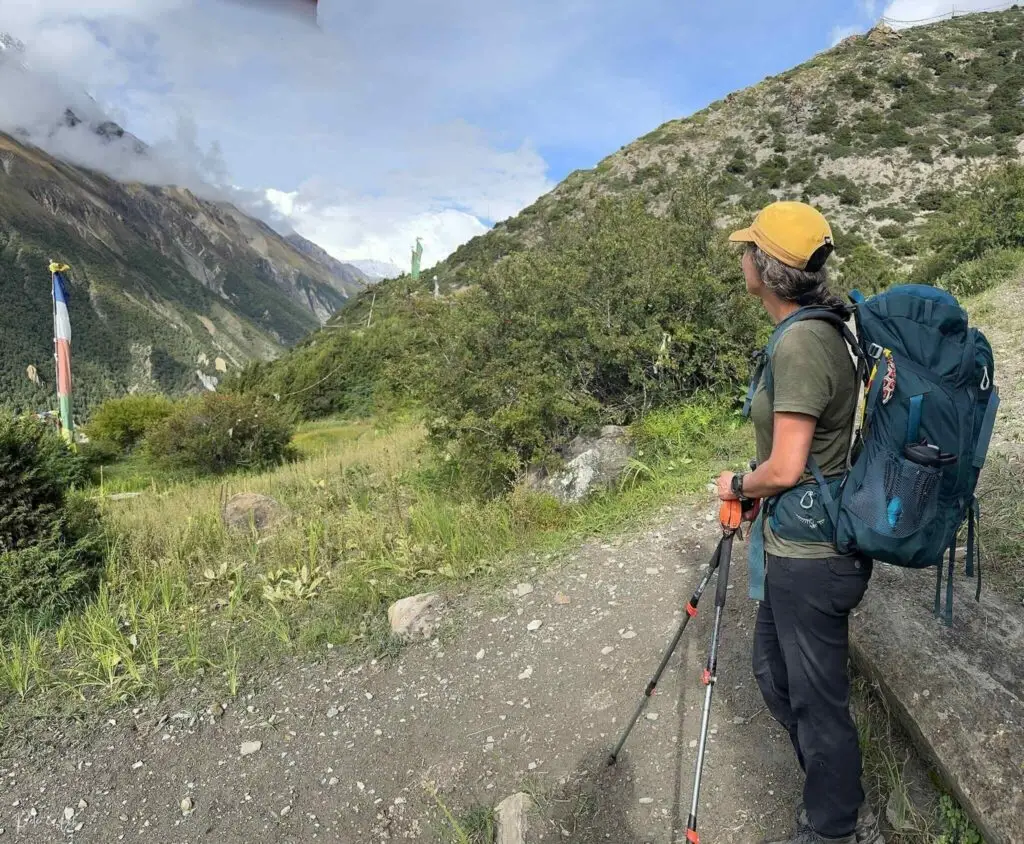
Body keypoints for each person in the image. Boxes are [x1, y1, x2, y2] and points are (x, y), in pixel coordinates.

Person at [716, 202, 883, 844]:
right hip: (800, 544)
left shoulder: (805, 343)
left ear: (766, 265)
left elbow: (786, 467)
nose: (741, 258)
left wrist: (736, 485)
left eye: (747, 249)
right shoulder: (816, 329)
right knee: (774, 674)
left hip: (812, 558)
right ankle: (828, 792)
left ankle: (836, 826)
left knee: (815, 700)